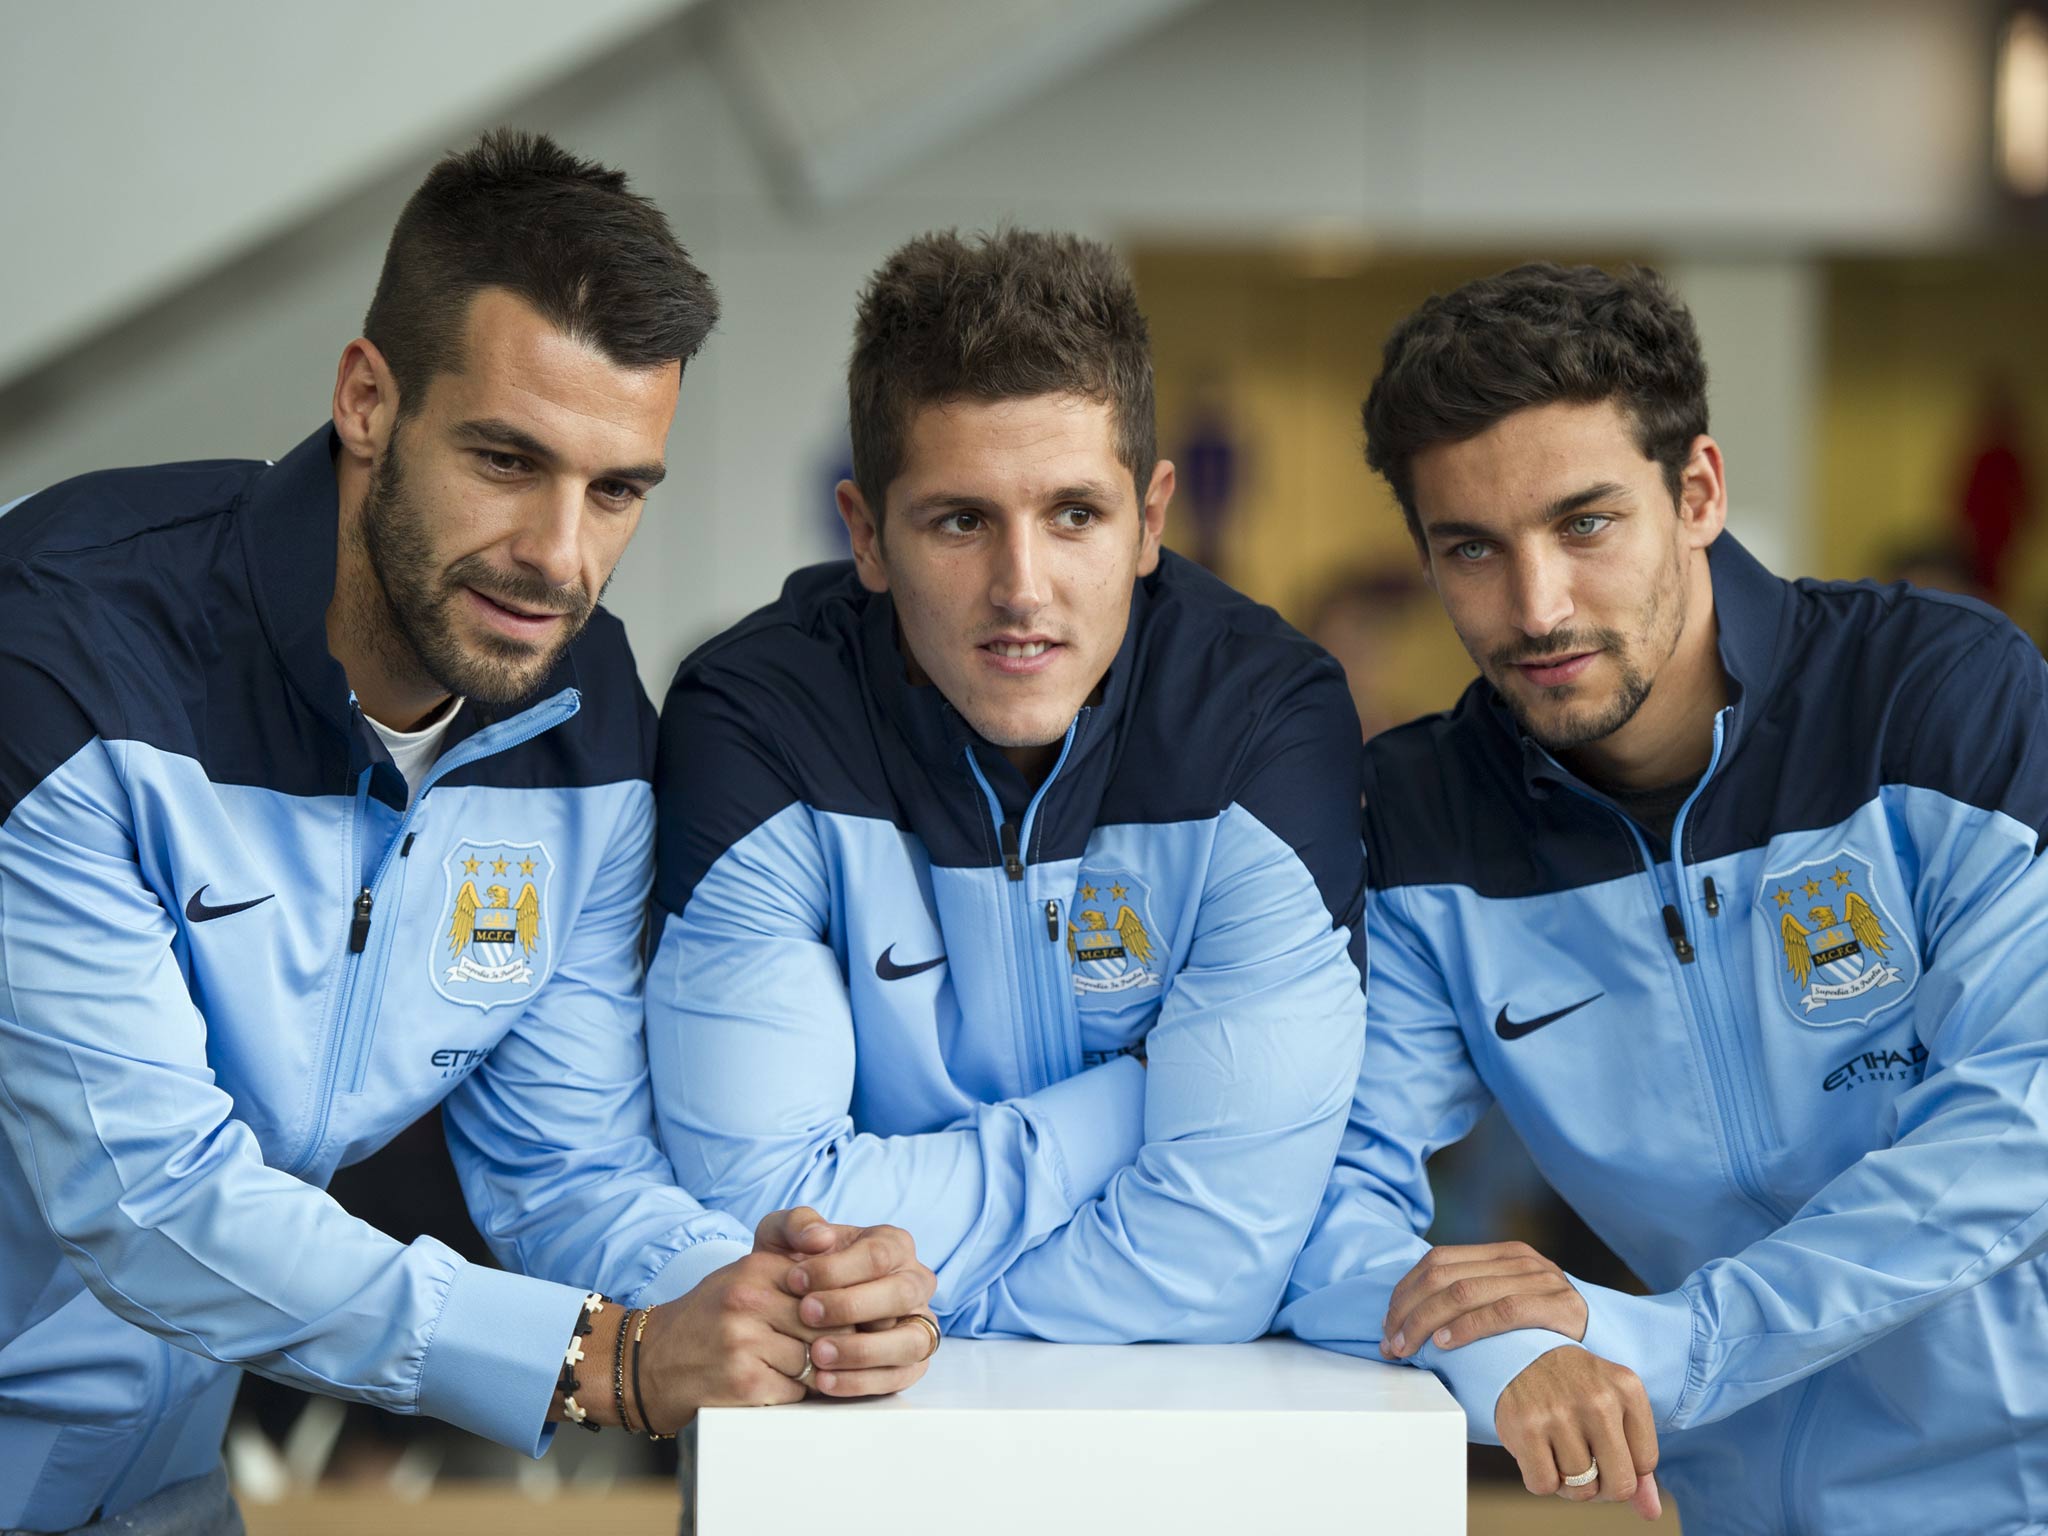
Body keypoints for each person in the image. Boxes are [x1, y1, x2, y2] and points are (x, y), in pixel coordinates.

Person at [0, 130, 935, 1536]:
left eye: (617, 489)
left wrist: (770, 1291)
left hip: (149, 1482)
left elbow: (563, 1166)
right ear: (368, 399)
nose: (559, 556)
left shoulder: (583, 721)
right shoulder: (66, 652)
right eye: (508, 458)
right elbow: (148, 1198)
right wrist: (599, 1362)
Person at [1279, 262, 2048, 1536]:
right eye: (1470, 548)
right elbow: (1329, 1197)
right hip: (1729, 1506)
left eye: (1584, 524)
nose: (1535, 607)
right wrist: (1514, 1358)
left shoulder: (1936, 701)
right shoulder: (1419, 816)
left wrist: (1673, 1341)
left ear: (1694, 491)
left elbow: (2015, 1130)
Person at [643, 229, 1367, 1342]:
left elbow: (1210, 1268)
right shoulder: (755, 718)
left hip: (1149, 1424)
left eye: (1074, 514)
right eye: (960, 521)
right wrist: (1130, 1102)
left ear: (1151, 520)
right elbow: (761, 1215)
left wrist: (910, 1309)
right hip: (853, 1433)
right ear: (866, 535)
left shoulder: (1262, 724)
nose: (1019, 589)